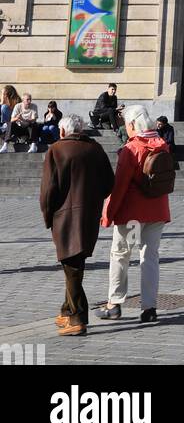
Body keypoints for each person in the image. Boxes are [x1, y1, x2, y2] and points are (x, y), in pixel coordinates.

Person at [39, 112, 115, 336]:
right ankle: (66, 310)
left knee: (72, 266)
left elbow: (48, 191)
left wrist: (47, 215)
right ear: (80, 130)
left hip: (64, 217)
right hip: (88, 216)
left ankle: (78, 317)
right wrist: (93, 201)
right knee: (74, 263)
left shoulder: (56, 150)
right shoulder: (95, 149)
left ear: (62, 131)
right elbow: (109, 183)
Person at [97, 104, 173, 325]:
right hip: (157, 212)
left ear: (131, 125)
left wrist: (108, 214)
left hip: (133, 217)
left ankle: (114, 303)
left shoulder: (132, 148)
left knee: (122, 255)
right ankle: (149, 308)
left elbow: (118, 187)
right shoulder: (162, 145)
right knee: (150, 258)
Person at [0, 84, 21, 152]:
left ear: (7, 95)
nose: (1, 95)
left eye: (3, 93)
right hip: (6, 126)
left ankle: (11, 137)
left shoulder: (16, 103)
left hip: (12, 125)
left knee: (4, 107)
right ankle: (12, 138)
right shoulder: (3, 104)